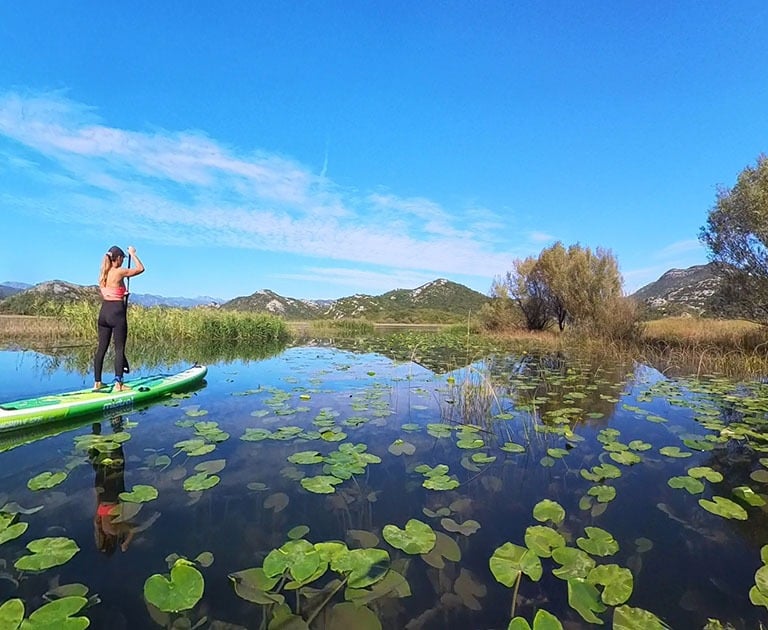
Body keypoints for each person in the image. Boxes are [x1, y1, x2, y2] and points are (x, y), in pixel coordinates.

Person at [93, 245, 145, 391]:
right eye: (123, 258)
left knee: (101, 348)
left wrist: (123, 294)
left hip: (104, 313)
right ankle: (118, 384)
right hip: (116, 313)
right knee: (119, 349)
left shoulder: (103, 273)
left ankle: (97, 382)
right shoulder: (119, 271)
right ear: (119, 258)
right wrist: (133, 254)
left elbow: (112, 291)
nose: (123, 261)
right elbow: (141, 268)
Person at [90, 418, 135, 554]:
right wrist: (96, 492)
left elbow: (132, 529)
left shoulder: (112, 530)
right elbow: (98, 507)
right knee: (99, 464)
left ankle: (117, 427)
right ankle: (95, 428)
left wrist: (125, 544)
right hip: (103, 494)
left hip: (113, 494)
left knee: (116, 463)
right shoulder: (97, 524)